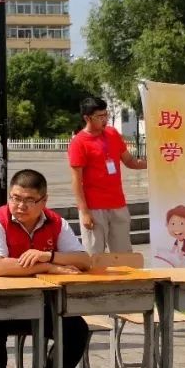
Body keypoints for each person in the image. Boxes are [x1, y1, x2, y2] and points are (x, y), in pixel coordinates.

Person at [0, 169, 92, 368]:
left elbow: (83, 260)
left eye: (29, 200)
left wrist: (48, 255)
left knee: (76, 329)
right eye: (15, 198)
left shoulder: (56, 222)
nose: (20, 206)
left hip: (38, 302)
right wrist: (48, 267)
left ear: (44, 201)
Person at [68, 97, 147, 255]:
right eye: (100, 116)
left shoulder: (112, 133)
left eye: (106, 115)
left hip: (118, 204)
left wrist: (154, 163)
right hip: (94, 208)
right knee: (95, 255)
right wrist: (84, 213)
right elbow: (76, 182)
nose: (105, 120)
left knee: (124, 254)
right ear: (87, 118)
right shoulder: (79, 143)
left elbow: (130, 161)